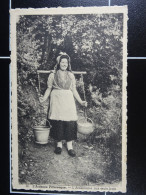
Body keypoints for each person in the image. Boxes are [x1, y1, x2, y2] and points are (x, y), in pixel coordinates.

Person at [39, 52, 87, 157]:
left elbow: (74, 90)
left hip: (68, 100)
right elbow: (49, 88)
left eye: (66, 62)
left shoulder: (71, 75)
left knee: (70, 122)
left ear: (68, 64)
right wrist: (44, 98)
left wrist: (81, 101)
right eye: (62, 62)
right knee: (58, 121)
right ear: (59, 63)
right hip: (56, 99)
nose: (64, 64)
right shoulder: (53, 74)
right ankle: (59, 145)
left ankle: (70, 146)